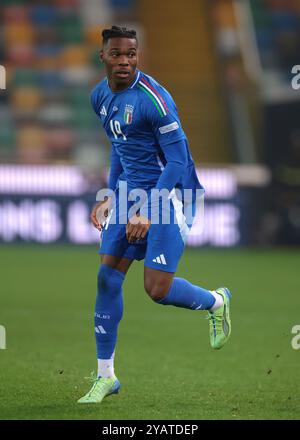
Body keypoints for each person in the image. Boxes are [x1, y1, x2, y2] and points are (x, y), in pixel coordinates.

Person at [78, 25, 232, 404]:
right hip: (130, 194)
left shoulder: (155, 100)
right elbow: (119, 145)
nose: (125, 61)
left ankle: (216, 302)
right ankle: (105, 376)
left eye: (131, 53)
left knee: (156, 290)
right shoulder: (99, 96)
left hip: (171, 194)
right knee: (106, 278)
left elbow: (178, 161)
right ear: (103, 56)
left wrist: (149, 209)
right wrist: (111, 196)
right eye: (117, 54)